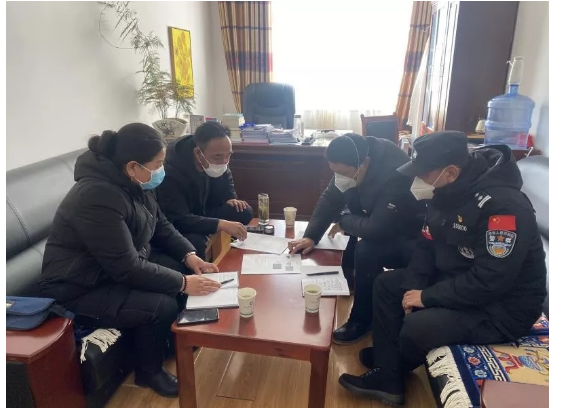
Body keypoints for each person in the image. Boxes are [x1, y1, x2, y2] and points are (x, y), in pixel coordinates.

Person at [339, 131, 547, 406]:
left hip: (503, 307)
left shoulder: (504, 208)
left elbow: (491, 281)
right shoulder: (447, 191)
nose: (417, 181)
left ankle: (390, 373)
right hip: (461, 277)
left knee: (418, 326)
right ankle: (387, 366)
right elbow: (426, 244)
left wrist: (427, 297)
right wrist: (413, 286)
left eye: (423, 174)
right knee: (387, 285)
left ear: (450, 172)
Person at [40, 123, 221, 398]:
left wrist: (190, 256)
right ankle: (149, 372)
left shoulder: (137, 183)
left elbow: (161, 224)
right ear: (133, 166)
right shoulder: (95, 197)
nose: (162, 170)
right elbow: (125, 268)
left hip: (111, 270)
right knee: (161, 305)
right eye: (158, 164)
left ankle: (168, 342)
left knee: (179, 268)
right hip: (79, 287)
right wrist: (184, 283)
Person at [288, 133, 425, 344]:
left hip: (410, 233)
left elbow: (378, 228)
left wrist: (344, 220)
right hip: (376, 215)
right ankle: (349, 280)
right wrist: (311, 236)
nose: (338, 177)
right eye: (334, 172)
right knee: (354, 220)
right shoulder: (352, 155)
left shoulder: (394, 173)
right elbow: (330, 197)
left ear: (364, 164)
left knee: (366, 251)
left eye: (342, 173)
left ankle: (361, 320)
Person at [157, 121, 253, 259]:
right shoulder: (171, 172)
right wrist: (219, 224)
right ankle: (204, 270)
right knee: (195, 241)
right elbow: (178, 218)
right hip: (184, 219)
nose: (224, 162)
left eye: (228, 155)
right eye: (218, 156)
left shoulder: (219, 158)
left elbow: (226, 178)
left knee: (243, 210)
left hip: (206, 211)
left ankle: (231, 250)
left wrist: (231, 198)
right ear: (198, 153)